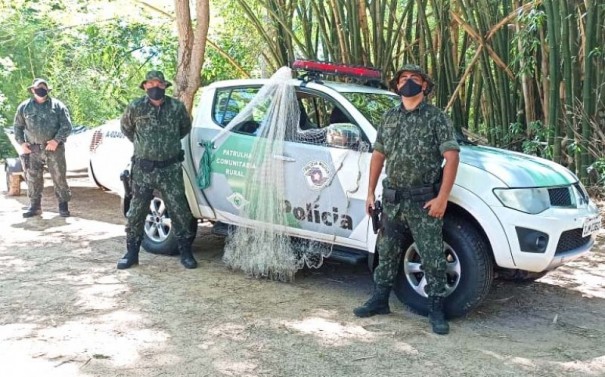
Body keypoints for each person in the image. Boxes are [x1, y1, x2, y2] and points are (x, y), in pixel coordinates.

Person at [353, 64, 460, 335]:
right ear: (397, 85)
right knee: (386, 252)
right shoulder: (389, 117)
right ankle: (380, 300)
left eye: (414, 78)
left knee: (432, 256)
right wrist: (369, 192)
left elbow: (451, 157)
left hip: (424, 200)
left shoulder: (437, 118)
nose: (408, 82)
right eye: (403, 79)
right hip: (392, 198)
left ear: (424, 86)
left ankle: (436, 309)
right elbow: (378, 155)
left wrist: (442, 198)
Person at [117, 71, 198, 270]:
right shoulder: (135, 107)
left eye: (159, 84)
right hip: (144, 170)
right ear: (145, 86)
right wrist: (145, 146)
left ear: (164, 86)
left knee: (180, 210)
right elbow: (127, 129)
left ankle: (186, 252)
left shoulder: (176, 108)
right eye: (151, 83)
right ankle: (132, 253)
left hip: (170, 169)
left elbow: (184, 128)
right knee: (137, 211)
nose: (155, 87)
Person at [13, 78, 73, 218]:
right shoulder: (24, 107)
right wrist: (22, 143)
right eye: (38, 88)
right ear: (33, 90)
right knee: (33, 178)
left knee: (59, 177)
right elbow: (17, 127)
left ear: (48, 90)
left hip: (54, 149)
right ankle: (35, 206)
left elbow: (67, 126)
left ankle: (63, 206)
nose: (41, 90)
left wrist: (56, 140)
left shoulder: (58, 106)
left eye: (44, 88)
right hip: (33, 150)